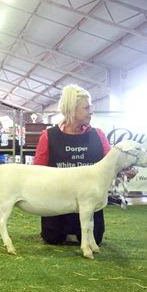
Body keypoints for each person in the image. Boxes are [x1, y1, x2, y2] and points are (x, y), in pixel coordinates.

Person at [34, 84, 111, 245]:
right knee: (52, 238)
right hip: (56, 204)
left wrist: (125, 171)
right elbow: (38, 173)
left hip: (89, 204)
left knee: (95, 238)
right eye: (86, 107)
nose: (91, 111)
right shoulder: (48, 136)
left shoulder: (99, 135)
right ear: (72, 110)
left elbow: (110, 165)